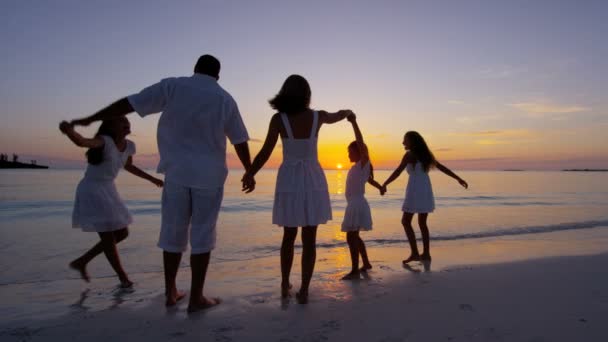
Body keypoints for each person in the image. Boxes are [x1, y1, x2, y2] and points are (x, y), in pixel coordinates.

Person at [69, 55, 253, 313]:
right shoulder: (225, 99)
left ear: (195, 69)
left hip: (176, 174)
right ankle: (196, 297)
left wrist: (91, 118)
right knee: (202, 234)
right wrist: (249, 171)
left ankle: (171, 292)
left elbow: (128, 103)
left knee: (173, 231)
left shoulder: (173, 86)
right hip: (209, 177)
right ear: (218, 75)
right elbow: (239, 140)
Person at [242, 74, 352, 304]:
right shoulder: (317, 117)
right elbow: (337, 116)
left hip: (290, 178)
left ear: (284, 92)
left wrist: (250, 173)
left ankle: (284, 284)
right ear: (306, 94)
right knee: (309, 237)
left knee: (289, 236)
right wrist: (348, 113)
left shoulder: (278, 119)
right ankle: (304, 290)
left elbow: (265, 151)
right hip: (312, 178)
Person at [59, 117, 163, 288]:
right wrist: (69, 131)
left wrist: (152, 179)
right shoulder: (103, 141)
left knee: (122, 233)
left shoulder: (130, 145)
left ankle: (82, 261)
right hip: (92, 189)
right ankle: (123, 278)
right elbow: (82, 142)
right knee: (108, 236)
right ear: (111, 126)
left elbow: (129, 166)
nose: (126, 125)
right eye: (121, 123)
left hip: (108, 189)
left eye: (127, 123)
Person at [382, 131, 468, 264]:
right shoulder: (425, 155)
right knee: (422, 223)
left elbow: (398, 171)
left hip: (415, 189)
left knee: (406, 221)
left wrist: (385, 184)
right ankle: (426, 254)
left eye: (405, 140)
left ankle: (415, 253)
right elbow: (442, 168)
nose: (403, 143)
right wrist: (458, 178)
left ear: (412, 141)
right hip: (425, 188)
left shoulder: (409, 155)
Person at [340, 114, 385, 280]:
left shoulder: (362, 163)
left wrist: (354, 122)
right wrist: (380, 186)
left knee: (351, 236)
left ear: (359, 152)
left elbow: (360, 141)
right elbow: (369, 181)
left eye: (349, 152)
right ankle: (365, 263)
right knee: (354, 236)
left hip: (357, 204)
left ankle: (354, 270)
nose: (348, 155)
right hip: (355, 203)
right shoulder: (358, 168)